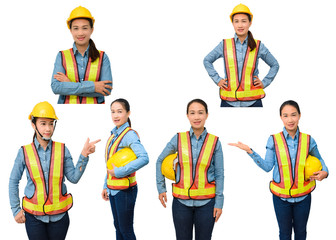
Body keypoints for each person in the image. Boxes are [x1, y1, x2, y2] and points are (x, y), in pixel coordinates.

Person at [229, 100, 328, 240]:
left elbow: (320, 160)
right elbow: (267, 167)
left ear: (300, 115)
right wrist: (250, 151)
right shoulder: (274, 140)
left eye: (293, 115)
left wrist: (325, 172)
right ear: (281, 117)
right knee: (284, 234)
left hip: (303, 196)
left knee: (301, 233)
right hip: (281, 199)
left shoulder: (308, 140)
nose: (290, 119)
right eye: (285, 115)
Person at [9, 101, 100, 240]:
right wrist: (15, 210)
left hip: (60, 218)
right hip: (34, 217)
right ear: (33, 125)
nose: (48, 128)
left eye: (51, 123)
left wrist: (84, 155)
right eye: (43, 123)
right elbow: (13, 181)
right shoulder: (24, 152)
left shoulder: (62, 149)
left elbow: (74, 178)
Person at [156, 99, 224, 240]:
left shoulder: (215, 142)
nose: (196, 117)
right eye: (192, 113)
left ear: (207, 115)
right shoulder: (178, 138)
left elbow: (219, 174)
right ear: (187, 115)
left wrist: (219, 202)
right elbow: (160, 160)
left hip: (207, 204)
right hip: (181, 204)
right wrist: (161, 188)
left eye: (200, 113)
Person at [203, 3, 279, 107]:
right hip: (228, 101)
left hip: (253, 102)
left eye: (244, 21)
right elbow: (207, 60)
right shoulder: (224, 44)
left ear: (250, 23)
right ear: (232, 23)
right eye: (236, 21)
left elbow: (275, 64)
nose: (240, 25)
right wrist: (218, 80)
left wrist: (264, 82)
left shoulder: (258, 45)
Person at [101, 98, 149, 240]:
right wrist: (106, 185)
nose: (115, 115)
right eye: (113, 112)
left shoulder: (129, 135)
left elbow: (144, 158)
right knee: (118, 227)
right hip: (113, 189)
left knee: (125, 230)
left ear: (128, 113)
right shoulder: (113, 134)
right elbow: (111, 163)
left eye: (120, 111)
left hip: (125, 191)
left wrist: (119, 172)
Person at [51, 6, 112, 104]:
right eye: (76, 28)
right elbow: (56, 88)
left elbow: (106, 90)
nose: (80, 33)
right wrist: (93, 87)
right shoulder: (61, 56)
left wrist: (70, 85)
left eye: (85, 28)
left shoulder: (102, 57)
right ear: (70, 30)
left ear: (91, 30)